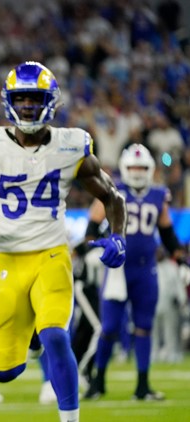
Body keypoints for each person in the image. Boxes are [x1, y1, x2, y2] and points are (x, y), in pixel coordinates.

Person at [0, 61, 127, 422]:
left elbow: (113, 197)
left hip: (52, 255)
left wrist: (119, 237)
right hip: (7, 259)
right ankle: (32, 341)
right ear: (10, 101)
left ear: (50, 102)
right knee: (6, 371)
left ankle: (69, 418)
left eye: (34, 98)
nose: (27, 105)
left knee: (57, 334)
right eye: (21, 98)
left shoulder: (71, 145)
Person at [83, 143, 188, 401]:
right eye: (133, 167)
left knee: (144, 327)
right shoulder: (111, 192)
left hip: (145, 270)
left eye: (142, 167)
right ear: (124, 168)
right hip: (117, 270)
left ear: (150, 168)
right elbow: (91, 229)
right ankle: (98, 382)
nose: (138, 171)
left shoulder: (158, 195)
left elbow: (167, 234)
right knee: (108, 328)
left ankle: (142, 386)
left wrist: (181, 260)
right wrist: (91, 251)